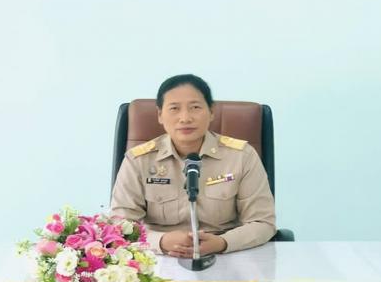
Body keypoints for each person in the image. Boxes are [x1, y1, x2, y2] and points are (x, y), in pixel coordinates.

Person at [110, 74, 276, 257]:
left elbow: (263, 223)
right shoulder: (138, 160)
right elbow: (119, 226)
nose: (185, 118)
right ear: (160, 115)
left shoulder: (242, 156)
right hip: (157, 257)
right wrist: (161, 241)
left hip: (226, 254)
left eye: (195, 107)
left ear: (211, 112)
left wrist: (223, 243)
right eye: (174, 108)